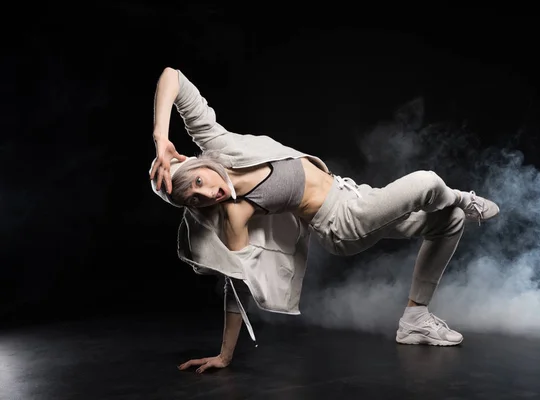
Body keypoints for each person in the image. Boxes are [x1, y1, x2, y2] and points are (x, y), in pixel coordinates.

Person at [149, 67, 499, 374]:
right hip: (342, 224)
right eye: (195, 201)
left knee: (448, 221)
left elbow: (172, 77)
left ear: (197, 164)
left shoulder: (218, 143)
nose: (209, 194)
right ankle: (465, 199)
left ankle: (415, 319)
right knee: (428, 183)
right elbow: (239, 283)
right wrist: (225, 356)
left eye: (199, 183)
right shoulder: (235, 213)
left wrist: (161, 138)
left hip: (354, 195)